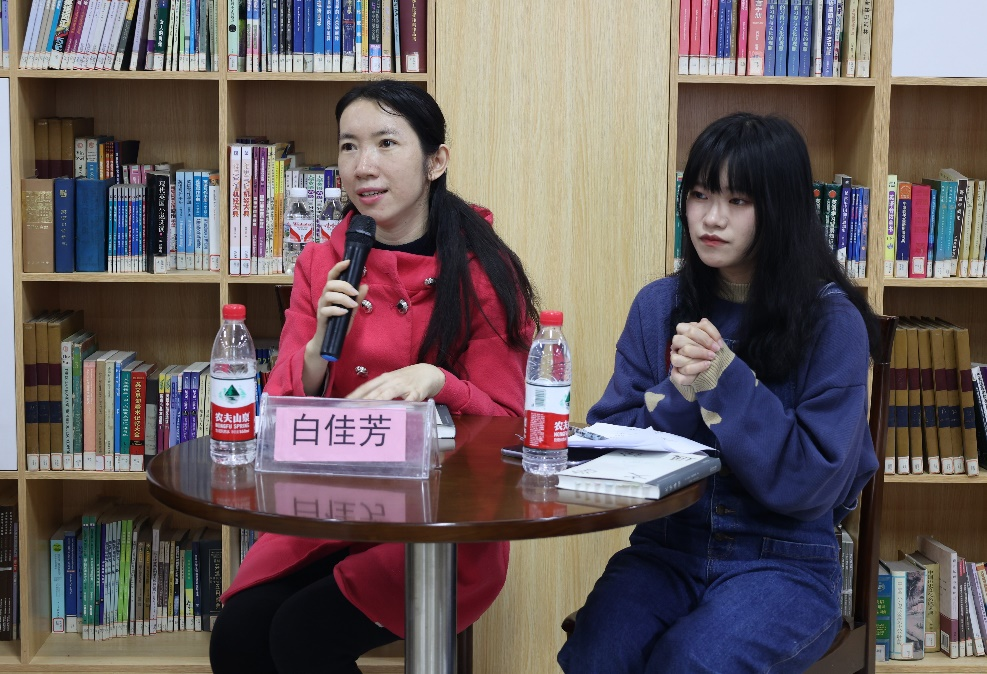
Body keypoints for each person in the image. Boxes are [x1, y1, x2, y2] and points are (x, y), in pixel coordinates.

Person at [209, 80, 538, 674]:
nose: (364, 166)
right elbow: (279, 414)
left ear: (436, 161)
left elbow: (513, 424)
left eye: (386, 143)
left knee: (302, 634)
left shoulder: (483, 272)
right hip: (330, 506)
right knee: (239, 638)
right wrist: (316, 349)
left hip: (442, 520)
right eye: (349, 146)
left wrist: (438, 381)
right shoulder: (323, 262)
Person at [557, 112, 880, 674]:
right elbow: (607, 445)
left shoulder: (833, 322)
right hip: (667, 547)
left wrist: (725, 382)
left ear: (779, 209)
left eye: (738, 201)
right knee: (597, 653)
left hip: (785, 562)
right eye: (700, 195)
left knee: (689, 661)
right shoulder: (658, 306)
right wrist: (680, 394)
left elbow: (813, 484)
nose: (711, 218)